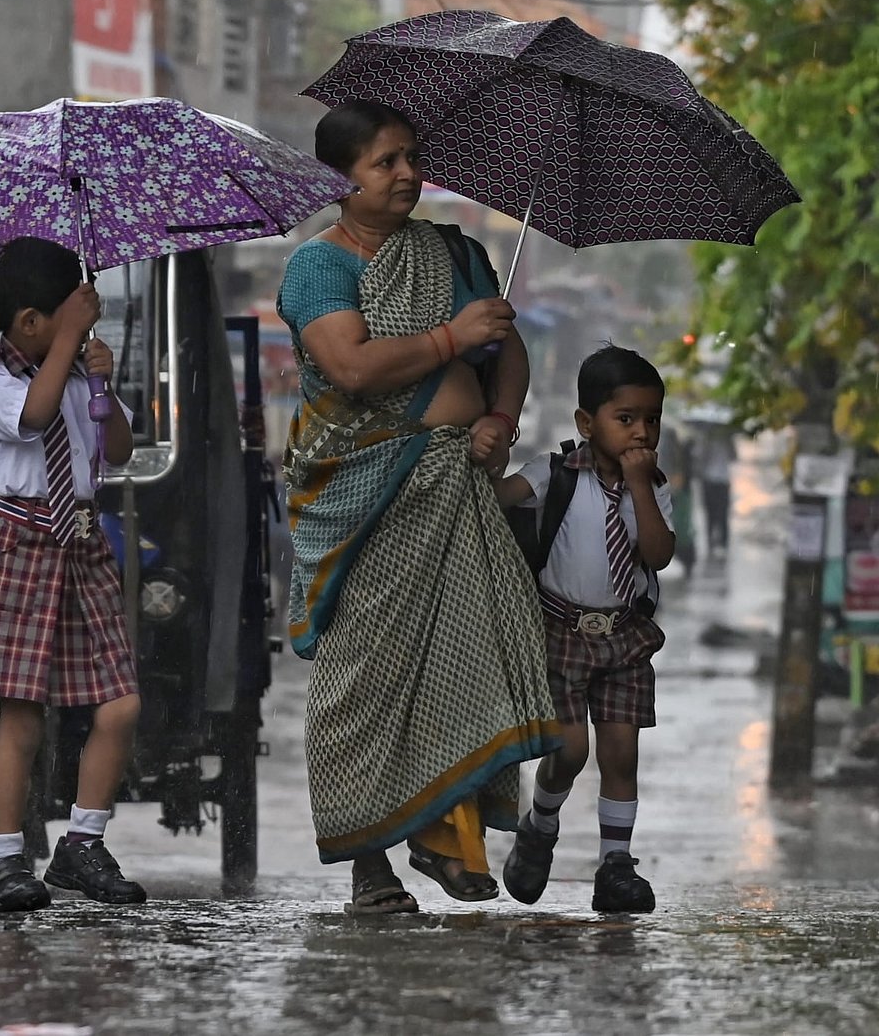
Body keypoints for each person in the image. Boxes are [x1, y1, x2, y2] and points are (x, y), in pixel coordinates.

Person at [278, 98, 561, 915]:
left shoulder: (452, 253)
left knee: (463, 657)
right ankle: (371, 865)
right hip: (364, 492)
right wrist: (449, 338)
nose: (406, 174)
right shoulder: (319, 266)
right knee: (364, 681)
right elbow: (354, 367)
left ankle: (448, 839)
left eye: (410, 158)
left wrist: (499, 422)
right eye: (384, 162)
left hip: (458, 484)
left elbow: (507, 350)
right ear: (343, 179)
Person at [0, 236, 146, 913]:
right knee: (20, 718)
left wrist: (104, 381)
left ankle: (81, 845)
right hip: (22, 544)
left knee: (120, 705)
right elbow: (31, 419)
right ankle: (3, 859)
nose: (81, 327)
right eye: (68, 314)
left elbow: (117, 448)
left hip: (82, 546)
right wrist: (70, 349)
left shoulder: (79, 373)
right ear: (30, 322)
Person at [493, 345, 674, 913]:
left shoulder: (654, 485)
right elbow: (495, 501)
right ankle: (540, 826)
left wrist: (642, 488)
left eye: (651, 420)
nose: (641, 432)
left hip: (624, 637)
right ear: (586, 423)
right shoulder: (552, 474)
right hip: (560, 632)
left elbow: (659, 553)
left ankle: (616, 866)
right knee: (570, 751)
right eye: (625, 419)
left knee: (621, 753)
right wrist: (482, 456)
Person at [696, 424, 736, 556]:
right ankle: (716, 544)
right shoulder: (711, 438)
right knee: (716, 513)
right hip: (715, 480)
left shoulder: (720, 438)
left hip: (716, 480)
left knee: (717, 513)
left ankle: (717, 543)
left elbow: (734, 457)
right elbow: (734, 457)